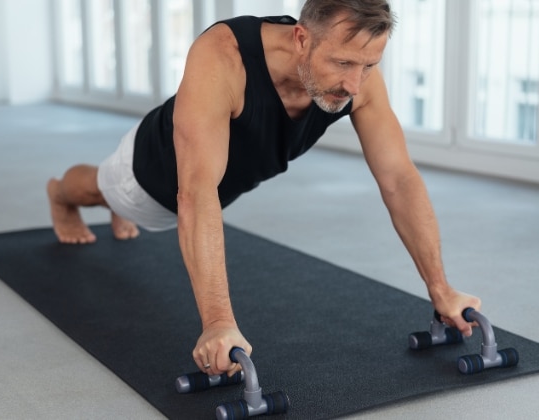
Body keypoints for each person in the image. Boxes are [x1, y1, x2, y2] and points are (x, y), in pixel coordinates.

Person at [47, 0, 481, 378]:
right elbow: (196, 192)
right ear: (301, 39)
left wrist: (440, 288)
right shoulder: (223, 57)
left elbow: (399, 179)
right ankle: (60, 196)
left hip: (222, 185)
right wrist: (218, 322)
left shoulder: (358, 81)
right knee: (102, 189)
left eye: (369, 65)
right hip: (154, 175)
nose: (355, 84)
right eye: (344, 63)